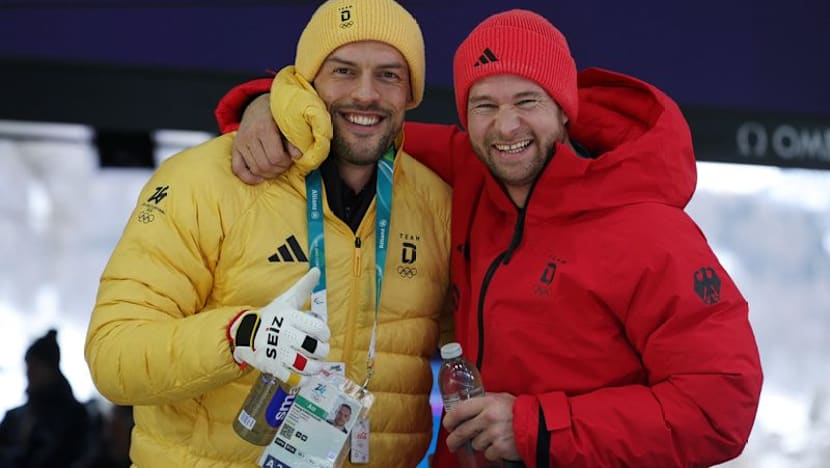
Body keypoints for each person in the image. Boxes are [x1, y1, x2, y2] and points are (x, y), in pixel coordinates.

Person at [214, 8, 764, 468]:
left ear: (564, 112)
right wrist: (268, 108)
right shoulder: (473, 176)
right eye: (485, 105)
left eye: (527, 101)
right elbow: (360, 126)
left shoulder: (652, 232)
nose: (506, 127)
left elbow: (720, 409)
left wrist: (535, 428)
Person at [84, 0, 451, 466]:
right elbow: (113, 354)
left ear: (411, 93)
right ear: (308, 80)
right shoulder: (205, 180)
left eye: (389, 75)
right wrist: (240, 337)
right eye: (343, 71)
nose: (365, 93)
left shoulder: (435, 205)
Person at [0, 329, 92, 468]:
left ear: (51, 369)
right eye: (29, 365)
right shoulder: (16, 415)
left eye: (36, 365)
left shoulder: (73, 417)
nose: (29, 372)